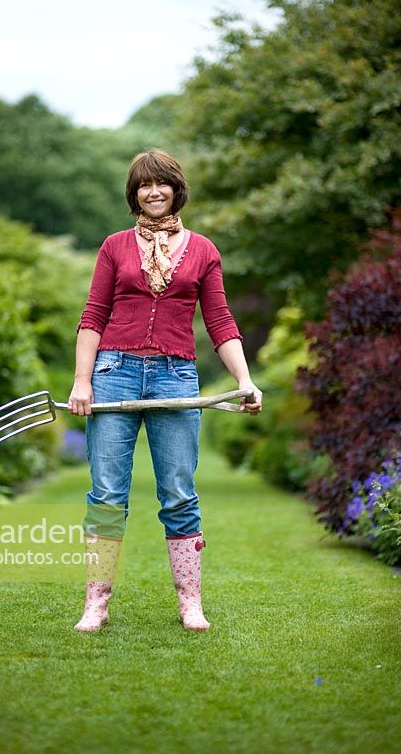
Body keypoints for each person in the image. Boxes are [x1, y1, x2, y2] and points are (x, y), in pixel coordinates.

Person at [68, 149, 262, 632]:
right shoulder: (114, 247)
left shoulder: (203, 250)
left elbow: (219, 321)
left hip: (176, 377)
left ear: (177, 189)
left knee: (179, 493)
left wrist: (244, 380)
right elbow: (93, 315)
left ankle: (190, 602)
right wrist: (82, 380)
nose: (152, 192)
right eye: (143, 185)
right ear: (134, 194)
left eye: (161, 184)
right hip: (114, 372)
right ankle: (96, 603)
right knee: (107, 494)